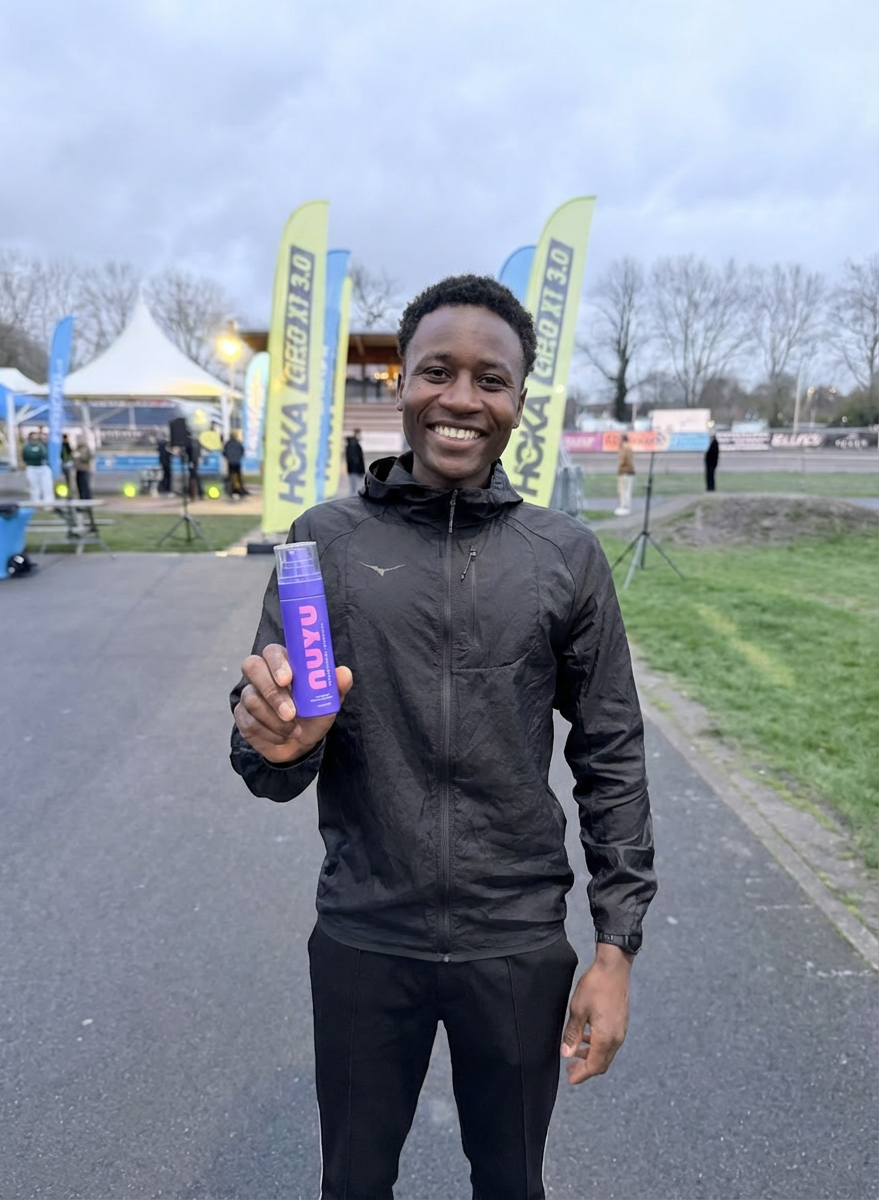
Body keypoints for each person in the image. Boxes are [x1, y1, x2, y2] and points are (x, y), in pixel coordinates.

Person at [230, 275, 656, 1200]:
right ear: (400, 387)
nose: (462, 398)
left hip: (516, 942)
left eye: (490, 380)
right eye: (438, 371)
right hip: (364, 934)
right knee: (352, 1182)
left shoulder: (564, 557)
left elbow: (610, 755)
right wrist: (272, 744)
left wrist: (615, 951)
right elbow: (267, 753)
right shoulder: (325, 546)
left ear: (517, 404)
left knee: (512, 1182)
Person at [21, 430, 54, 503]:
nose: (35, 440)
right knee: (34, 486)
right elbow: (25, 457)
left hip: (43, 468)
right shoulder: (27, 448)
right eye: (33, 438)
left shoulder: (42, 446)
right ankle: (35, 501)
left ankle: (48, 502)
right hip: (32, 468)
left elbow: (45, 456)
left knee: (47, 485)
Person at [223, 430, 247, 498]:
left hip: (230, 462)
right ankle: (240, 489)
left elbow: (224, 452)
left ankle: (233, 490)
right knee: (238, 476)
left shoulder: (227, 444)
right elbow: (242, 451)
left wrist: (228, 457)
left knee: (231, 476)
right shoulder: (238, 443)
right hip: (237, 462)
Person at [615, 433, 635, 515]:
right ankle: (627, 506)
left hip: (624, 471)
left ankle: (623, 506)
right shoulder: (630, 447)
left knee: (622, 490)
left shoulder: (623, 448)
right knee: (628, 490)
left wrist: (620, 466)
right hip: (630, 471)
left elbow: (623, 460)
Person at [344, 428, 365, 495]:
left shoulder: (352, 444)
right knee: (355, 487)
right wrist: (360, 469)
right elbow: (356, 458)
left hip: (352, 468)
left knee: (353, 486)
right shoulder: (354, 445)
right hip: (355, 468)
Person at [73, 436, 93, 500]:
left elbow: (85, 458)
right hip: (79, 469)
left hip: (84, 470)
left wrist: (78, 457)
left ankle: (86, 501)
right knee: (80, 487)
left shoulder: (84, 449)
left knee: (84, 486)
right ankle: (82, 500)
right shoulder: (77, 449)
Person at [186, 434, 203, 500]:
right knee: (196, 477)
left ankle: (193, 494)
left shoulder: (190, 445)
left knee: (192, 478)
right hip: (195, 462)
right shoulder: (198, 444)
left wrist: (191, 462)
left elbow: (192, 454)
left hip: (192, 462)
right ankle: (200, 493)